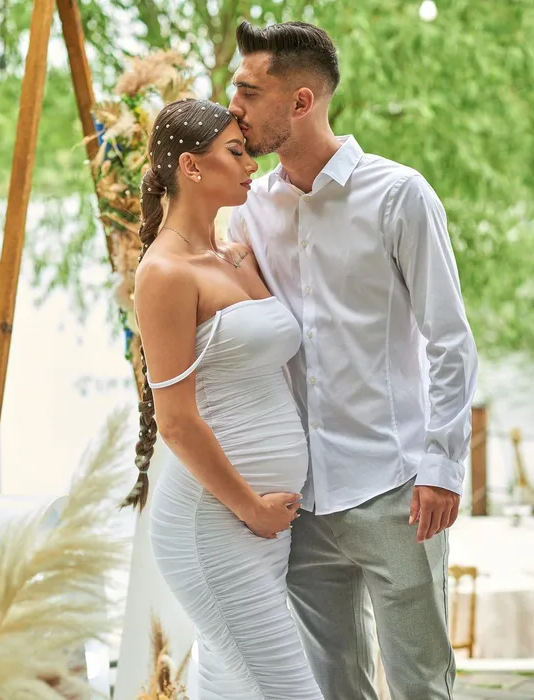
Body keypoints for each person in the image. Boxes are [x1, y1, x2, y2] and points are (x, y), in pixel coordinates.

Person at [228, 20, 478, 700]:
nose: (234, 108)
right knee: (334, 687)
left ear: (301, 101)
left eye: (249, 92)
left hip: (397, 488)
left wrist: (442, 466)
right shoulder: (250, 209)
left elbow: (449, 339)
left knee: (421, 685)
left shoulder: (399, 194)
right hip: (300, 501)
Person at [122, 98, 323, 700]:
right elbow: (177, 423)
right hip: (215, 523)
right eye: (235, 152)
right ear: (190, 166)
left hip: (261, 527)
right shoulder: (164, 273)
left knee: (233, 689)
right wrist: (251, 510)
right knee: (292, 690)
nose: (251, 164)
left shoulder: (231, 254)